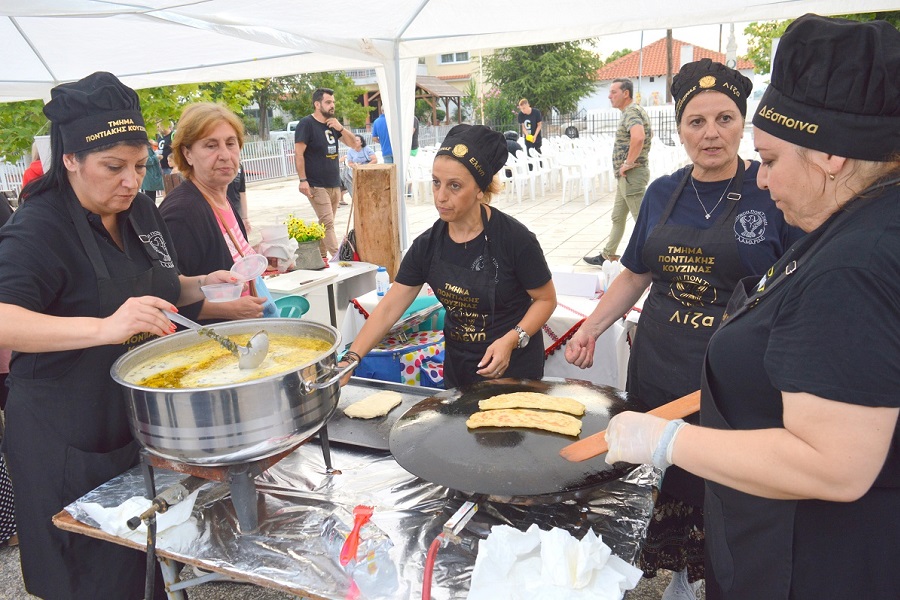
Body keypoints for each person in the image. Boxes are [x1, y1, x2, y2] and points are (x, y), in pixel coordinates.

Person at [603, 14, 900, 599]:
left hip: (818, 562)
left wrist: (666, 443)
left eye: (770, 158)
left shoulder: (854, 264)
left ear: (832, 156)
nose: (762, 180)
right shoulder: (861, 223)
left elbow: (833, 464)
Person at [565, 58, 804, 599]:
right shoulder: (661, 193)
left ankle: (716, 580)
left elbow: (796, 284)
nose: (711, 133)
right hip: (660, 366)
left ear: (742, 123)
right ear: (680, 128)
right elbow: (636, 273)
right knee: (663, 481)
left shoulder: (771, 191)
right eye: (697, 121)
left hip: (732, 384)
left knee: (721, 492)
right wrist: (592, 328)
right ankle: (676, 577)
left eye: (724, 118)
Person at [0, 71, 236, 599]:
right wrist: (104, 329)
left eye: (138, 165)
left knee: (143, 561)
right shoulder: (39, 227)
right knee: (89, 575)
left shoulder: (140, 210)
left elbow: (154, 282)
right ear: (70, 160)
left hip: (132, 422)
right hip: (63, 433)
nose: (130, 180)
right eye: (113, 167)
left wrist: (202, 286)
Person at [341, 125, 557, 389]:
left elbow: (546, 299)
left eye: (455, 186)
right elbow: (388, 308)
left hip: (514, 369)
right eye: (436, 183)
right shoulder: (427, 246)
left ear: (480, 189)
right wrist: (351, 358)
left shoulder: (515, 240)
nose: (441, 197)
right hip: (459, 370)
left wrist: (512, 339)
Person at [160, 103, 270, 325]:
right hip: (213, 346)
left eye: (230, 143)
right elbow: (165, 298)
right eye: (211, 145)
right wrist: (229, 311)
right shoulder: (183, 212)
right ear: (187, 153)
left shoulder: (221, 197)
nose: (225, 155)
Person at [584, 78, 652, 265]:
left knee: (641, 221)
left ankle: (652, 261)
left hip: (632, 175)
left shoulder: (631, 112)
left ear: (626, 93)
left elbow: (638, 137)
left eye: (613, 92)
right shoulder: (631, 111)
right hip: (626, 177)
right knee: (617, 217)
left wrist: (628, 163)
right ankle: (608, 255)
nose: (609, 96)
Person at [294, 88, 357, 262]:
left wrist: (341, 128)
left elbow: (354, 145)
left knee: (324, 225)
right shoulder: (306, 124)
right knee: (328, 223)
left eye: (333, 102)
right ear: (317, 104)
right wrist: (303, 180)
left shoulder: (333, 124)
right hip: (315, 183)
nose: (332, 106)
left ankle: (319, 259)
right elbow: (298, 154)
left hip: (334, 182)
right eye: (328, 102)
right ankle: (341, 259)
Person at [341, 134, 377, 199]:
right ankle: (354, 196)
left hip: (367, 170)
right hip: (356, 170)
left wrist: (364, 166)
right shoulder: (350, 151)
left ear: (361, 142)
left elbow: (374, 160)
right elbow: (350, 163)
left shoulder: (367, 149)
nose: (355, 142)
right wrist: (354, 165)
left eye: (357, 140)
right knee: (346, 175)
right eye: (354, 140)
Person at [227, 161, 250, 231]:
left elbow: (242, 192)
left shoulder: (239, 167)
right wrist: (244, 217)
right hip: (231, 209)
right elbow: (242, 193)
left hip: (234, 209)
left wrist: (245, 218)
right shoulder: (239, 166)